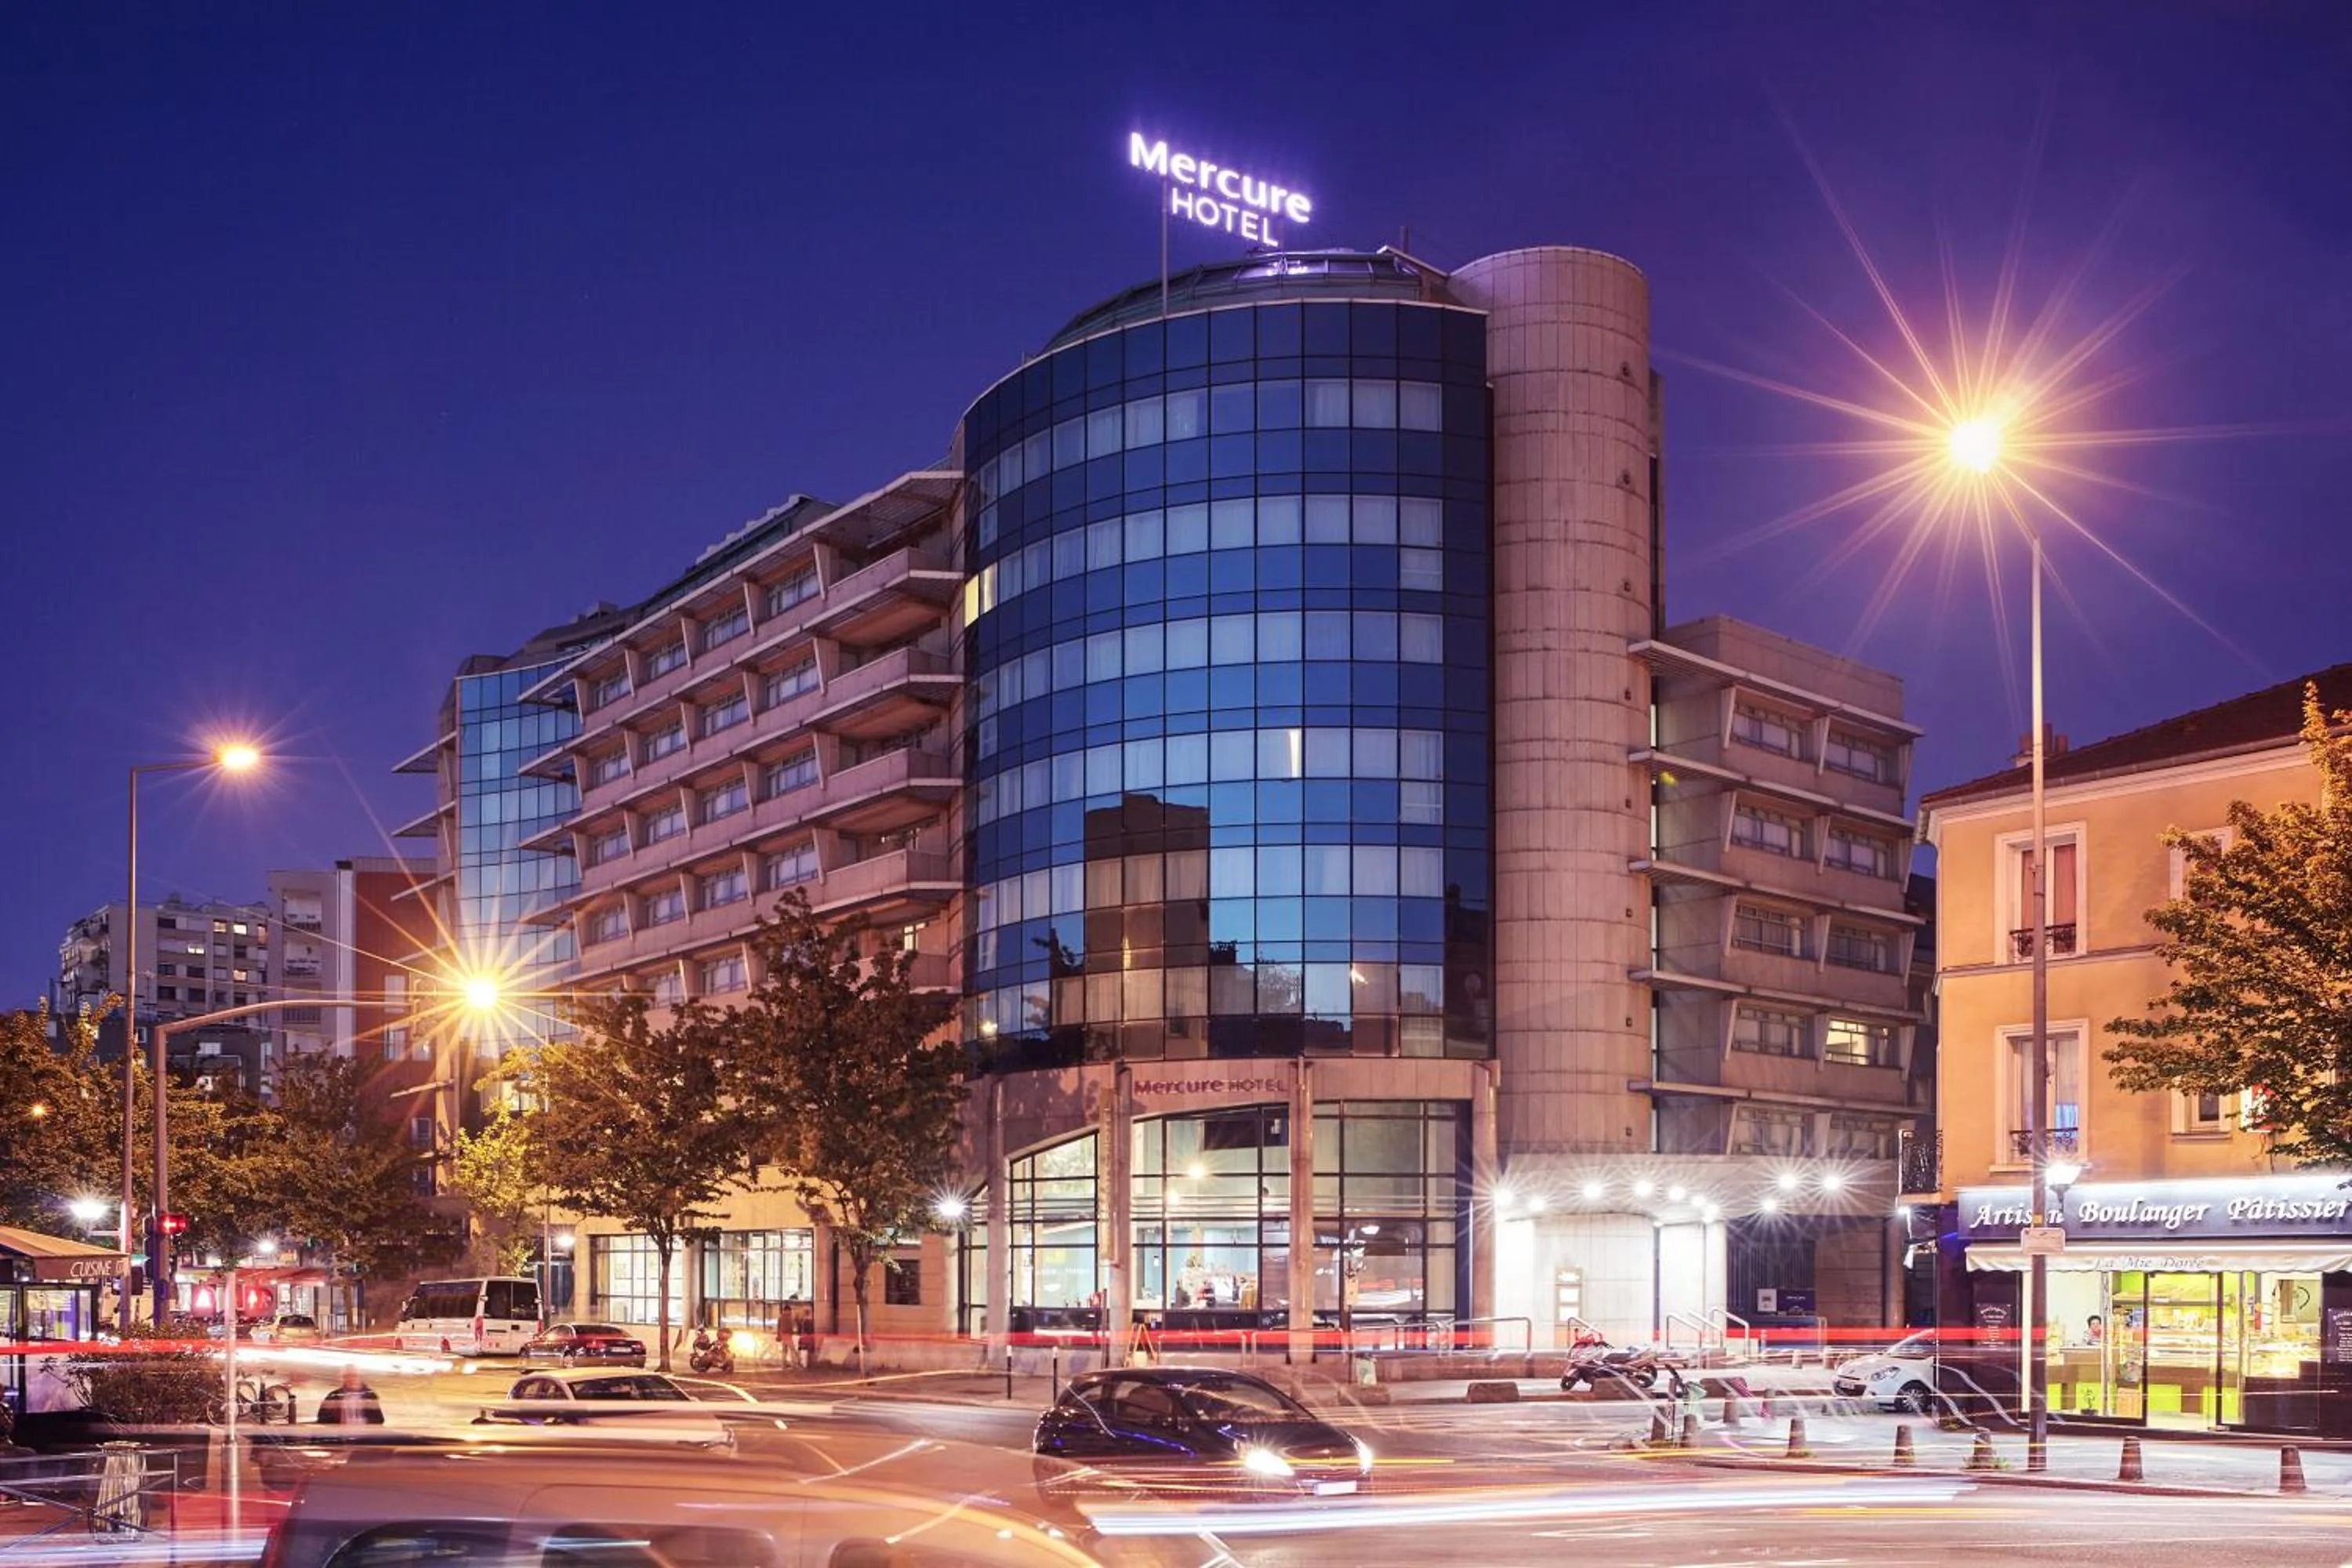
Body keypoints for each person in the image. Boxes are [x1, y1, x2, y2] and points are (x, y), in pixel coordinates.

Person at [315, 1367, 385, 1425]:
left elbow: (379, 1420)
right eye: (347, 1376)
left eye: (354, 1376)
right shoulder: (333, 1396)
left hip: (364, 1434)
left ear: (360, 1377)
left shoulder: (370, 1395)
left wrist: (362, 1424)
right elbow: (322, 1419)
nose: (351, 1379)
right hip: (341, 1435)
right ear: (343, 1379)